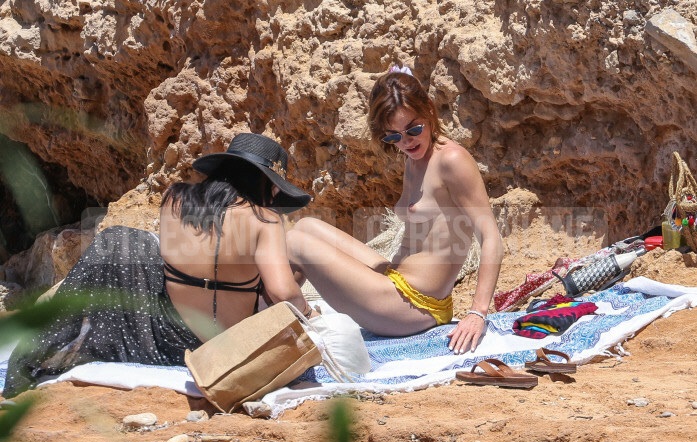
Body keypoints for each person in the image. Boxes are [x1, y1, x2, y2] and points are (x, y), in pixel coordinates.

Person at [3, 133, 313, 398]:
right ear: (267, 184)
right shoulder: (265, 220)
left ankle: (43, 350)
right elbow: (283, 292)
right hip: (226, 350)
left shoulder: (175, 199)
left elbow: (171, 257)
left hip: (162, 341)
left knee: (123, 243)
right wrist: (308, 313)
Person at [286, 66, 503, 353]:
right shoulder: (413, 160)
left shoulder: (451, 160)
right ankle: (282, 320)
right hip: (395, 282)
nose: (406, 141)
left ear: (429, 110)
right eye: (393, 136)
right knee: (305, 227)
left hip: (415, 305)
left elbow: (491, 237)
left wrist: (477, 312)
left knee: (295, 243)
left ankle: (287, 327)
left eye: (413, 129)